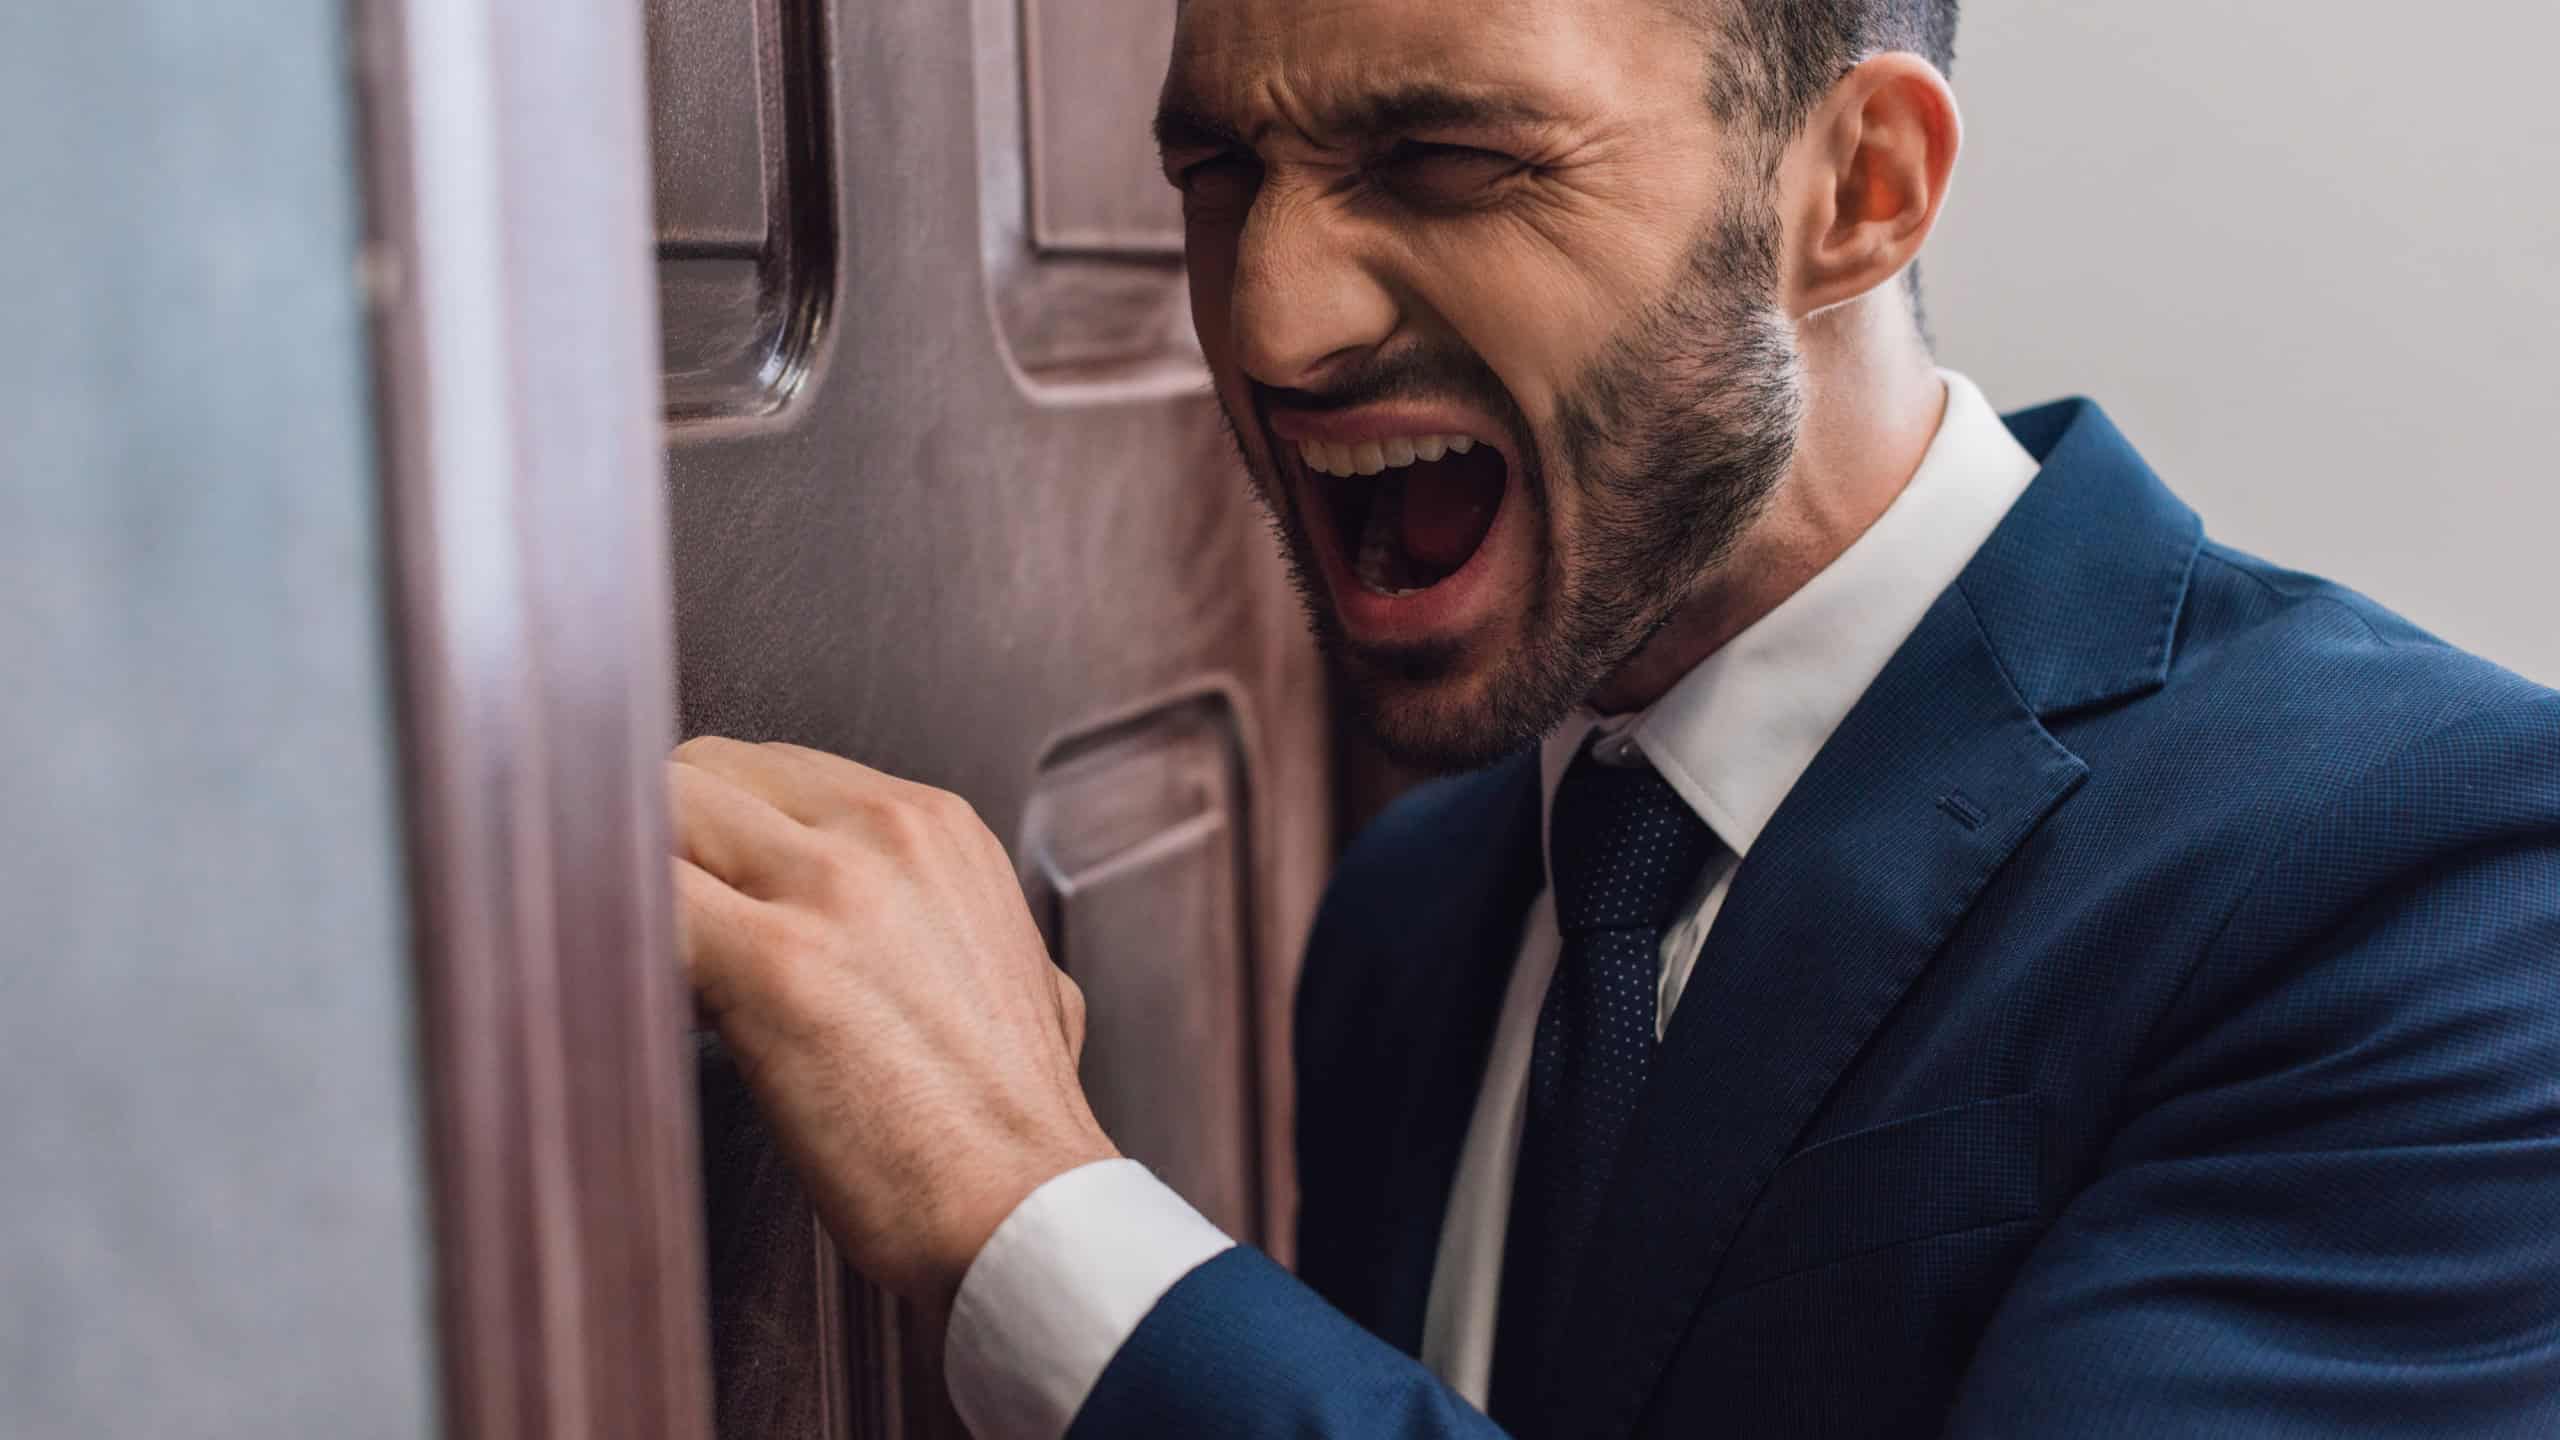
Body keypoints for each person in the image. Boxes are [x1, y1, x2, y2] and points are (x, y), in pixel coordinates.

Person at [664, 0, 2560, 1434]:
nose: (1270, 319)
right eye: (1219, 173)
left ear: (1857, 192)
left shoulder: (2437, 877)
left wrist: (1029, 1220)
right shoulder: (1413, 915)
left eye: (1448, 162)